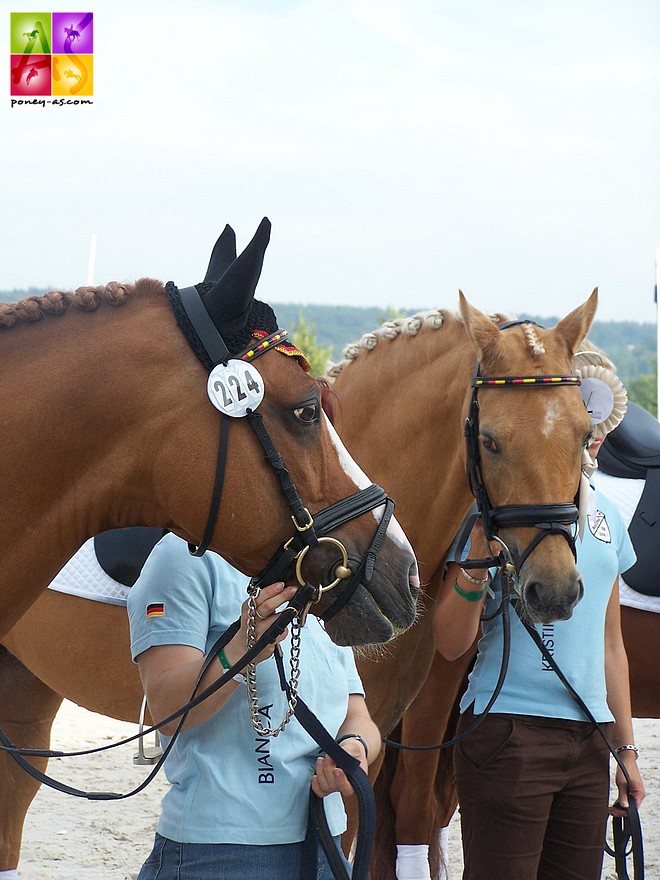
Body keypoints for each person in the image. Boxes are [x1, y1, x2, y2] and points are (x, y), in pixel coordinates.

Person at [434, 384, 646, 879]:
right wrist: (473, 568)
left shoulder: (608, 519)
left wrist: (626, 750)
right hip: (508, 730)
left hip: (589, 740)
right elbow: (449, 643)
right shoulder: (494, 514)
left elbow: (611, 646)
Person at [126, 532, 382, 880]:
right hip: (220, 851)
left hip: (324, 841)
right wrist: (239, 651)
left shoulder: (322, 563)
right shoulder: (183, 554)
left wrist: (355, 746)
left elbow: (356, 714)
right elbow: (166, 709)